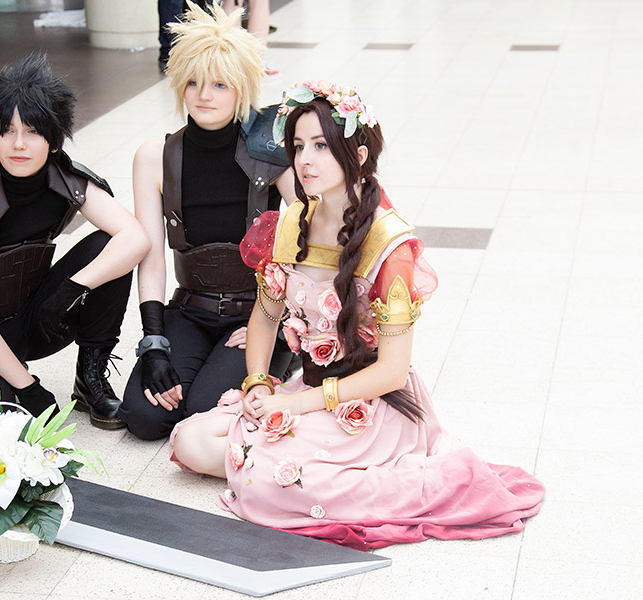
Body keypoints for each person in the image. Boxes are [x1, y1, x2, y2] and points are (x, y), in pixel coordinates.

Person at [170, 82, 545, 549]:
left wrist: (296, 406)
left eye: (321, 146)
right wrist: (259, 383)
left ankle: (377, 473)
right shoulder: (291, 222)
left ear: (359, 155)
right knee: (189, 440)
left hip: (369, 403)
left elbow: (391, 372)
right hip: (307, 388)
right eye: (299, 147)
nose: (305, 160)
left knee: (269, 479)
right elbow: (265, 316)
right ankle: (283, 460)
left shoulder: (390, 245)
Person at [0, 54, 149, 429]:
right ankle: (6, 377)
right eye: (7, 130)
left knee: (110, 245)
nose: (19, 144)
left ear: (53, 140)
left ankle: (90, 378)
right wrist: (29, 387)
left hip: (33, 318)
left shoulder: (65, 178)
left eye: (33, 131)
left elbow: (136, 238)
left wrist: (70, 290)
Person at [119, 3, 296, 440]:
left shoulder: (272, 152)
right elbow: (152, 259)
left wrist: (277, 321)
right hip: (190, 308)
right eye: (194, 82)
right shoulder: (155, 157)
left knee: (203, 412)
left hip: (256, 311)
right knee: (145, 417)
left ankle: (284, 357)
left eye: (220, 84)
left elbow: (311, 238)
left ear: (242, 87)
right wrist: (154, 342)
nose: (204, 95)